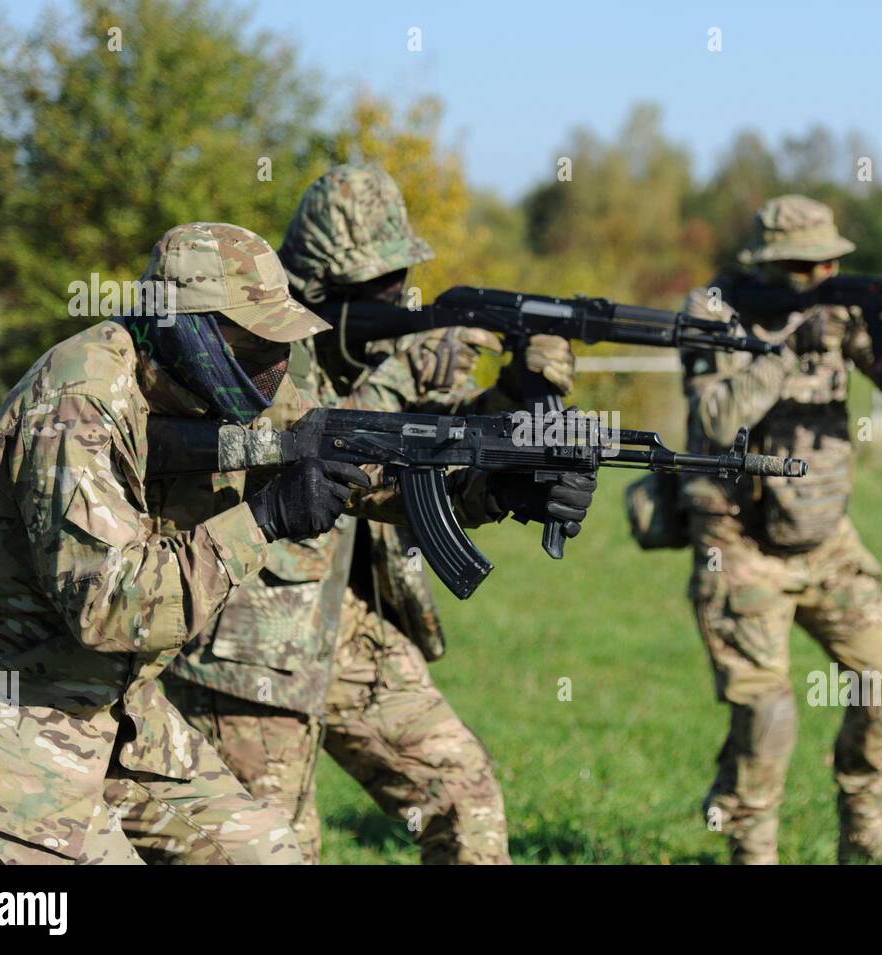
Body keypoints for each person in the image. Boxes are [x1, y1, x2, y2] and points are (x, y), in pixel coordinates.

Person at [164, 164, 583, 863]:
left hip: (350, 628)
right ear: (322, 289)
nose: (400, 299)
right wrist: (411, 370)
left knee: (464, 794)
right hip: (250, 649)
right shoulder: (256, 349)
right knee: (275, 851)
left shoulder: (367, 359)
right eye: (381, 290)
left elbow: (427, 450)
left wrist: (511, 397)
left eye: (402, 282)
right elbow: (315, 430)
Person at [0, 223, 349, 863]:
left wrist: (489, 487)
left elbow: (344, 453)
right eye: (254, 343)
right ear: (186, 332)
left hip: (111, 716)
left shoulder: (221, 386)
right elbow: (112, 606)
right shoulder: (77, 402)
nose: (272, 364)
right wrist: (265, 518)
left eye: (276, 343)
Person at [680, 195, 882, 865]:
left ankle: (864, 829)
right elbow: (715, 419)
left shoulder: (839, 308)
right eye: (808, 265)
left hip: (827, 540)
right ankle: (753, 853)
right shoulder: (712, 313)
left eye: (832, 259)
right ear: (769, 266)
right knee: (766, 714)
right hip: (739, 543)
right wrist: (787, 349)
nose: (826, 270)